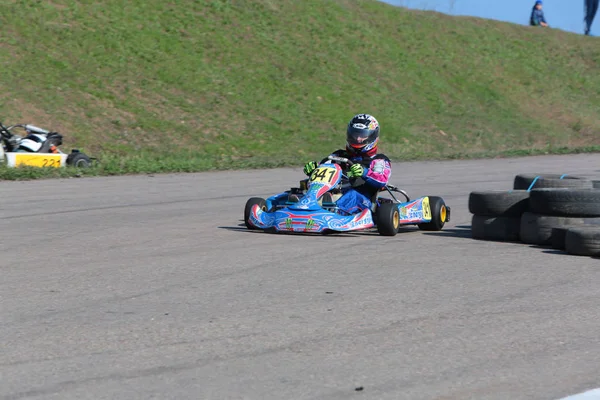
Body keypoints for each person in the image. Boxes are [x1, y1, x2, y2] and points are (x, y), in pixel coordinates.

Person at [302, 113, 392, 215]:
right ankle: (301, 204)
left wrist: (365, 172)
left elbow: (381, 180)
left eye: (362, 136)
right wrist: (314, 169)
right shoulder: (338, 155)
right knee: (301, 189)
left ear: (372, 137)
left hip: (363, 197)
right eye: (355, 135)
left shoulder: (378, 160)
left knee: (352, 195)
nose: (358, 139)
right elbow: (324, 168)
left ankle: (333, 210)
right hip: (335, 192)